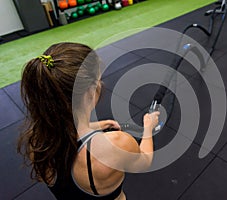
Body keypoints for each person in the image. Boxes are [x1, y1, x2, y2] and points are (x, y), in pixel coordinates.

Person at [17, 42, 160, 200]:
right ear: (89, 92)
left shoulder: (37, 140)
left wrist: (97, 125)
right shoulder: (116, 144)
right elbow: (144, 161)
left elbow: (67, 130)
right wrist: (148, 128)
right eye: (98, 80)